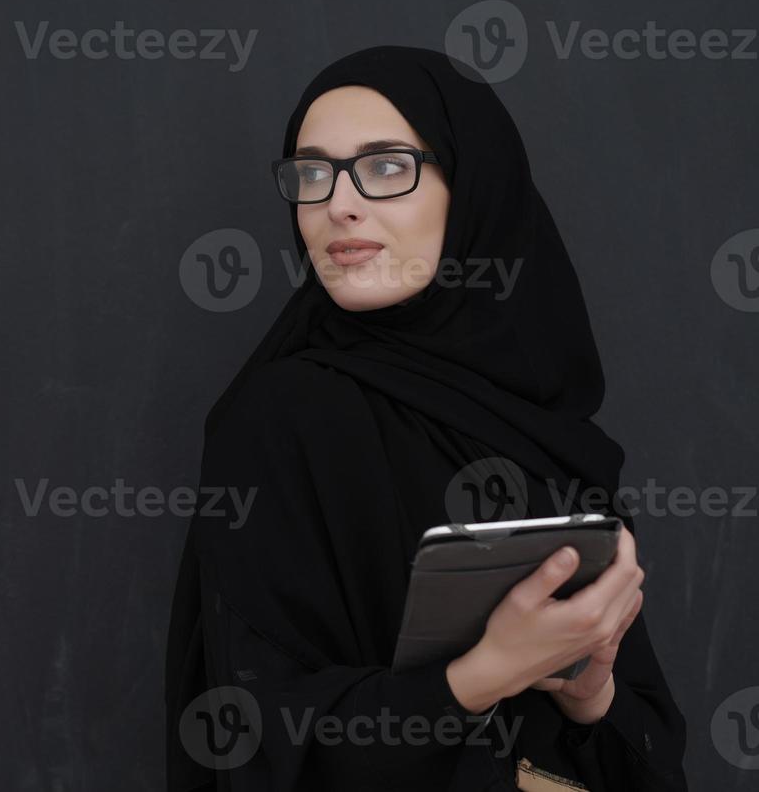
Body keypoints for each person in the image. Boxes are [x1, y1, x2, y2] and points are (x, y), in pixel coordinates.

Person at [164, 46, 688, 791]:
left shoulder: (547, 428)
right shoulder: (285, 417)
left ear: (472, 189)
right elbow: (253, 733)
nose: (338, 203)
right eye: (312, 174)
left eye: (385, 166)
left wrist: (587, 691)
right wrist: (481, 674)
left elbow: (652, 752)